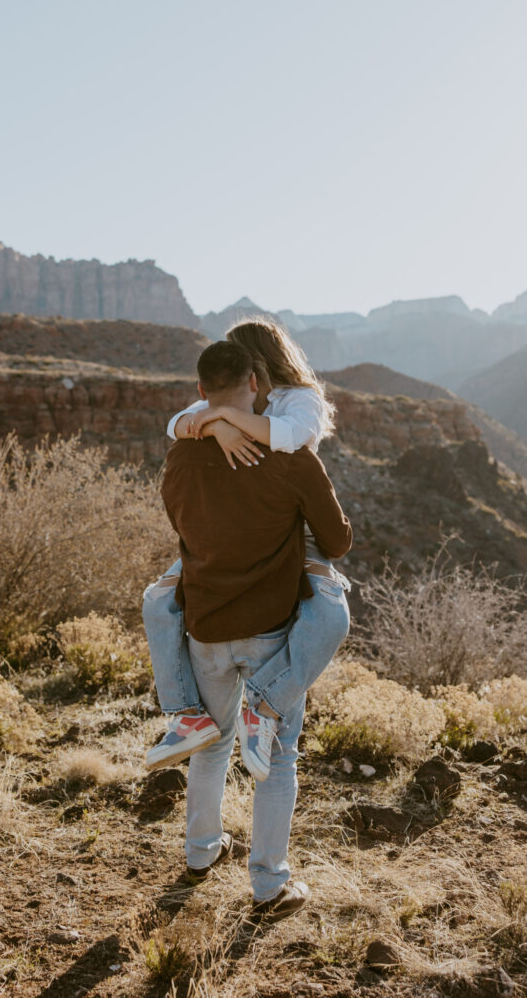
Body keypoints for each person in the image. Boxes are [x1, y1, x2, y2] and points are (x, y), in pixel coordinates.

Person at [159, 340, 352, 915]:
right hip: (272, 631)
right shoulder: (291, 459)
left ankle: (200, 853)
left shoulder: (180, 456)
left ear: (200, 391)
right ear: (255, 383)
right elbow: (338, 541)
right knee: (276, 760)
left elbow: (182, 527)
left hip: (206, 627)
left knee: (210, 747)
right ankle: (269, 885)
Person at [144, 318, 351, 779]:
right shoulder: (238, 393)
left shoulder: (301, 399)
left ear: (255, 367)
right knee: (156, 600)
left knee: (329, 614)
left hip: (289, 526)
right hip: (234, 524)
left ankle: (267, 702)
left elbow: (290, 439)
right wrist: (216, 426)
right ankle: (184, 714)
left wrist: (226, 419)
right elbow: (176, 423)